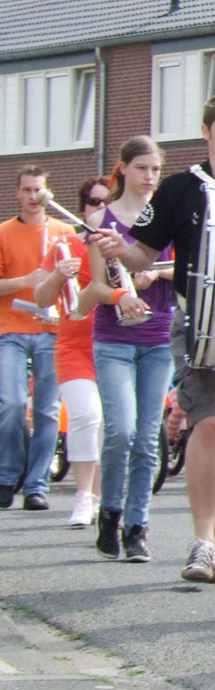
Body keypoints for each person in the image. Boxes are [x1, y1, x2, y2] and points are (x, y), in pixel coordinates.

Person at [113, 96, 215, 583]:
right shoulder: (181, 188)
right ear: (206, 132)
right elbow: (141, 255)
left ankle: (213, 546)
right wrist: (115, 247)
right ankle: (201, 543)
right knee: (211, 422)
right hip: (197, 319)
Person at [81, 139, 175, 559]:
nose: (149, 176)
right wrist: (120, 295)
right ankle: (110, 512)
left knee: (147, 438)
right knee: (121, 429)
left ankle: (138, 525)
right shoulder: (100, 219)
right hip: (114, 339)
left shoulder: (165, 216)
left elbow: (187, 266)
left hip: (157, 338)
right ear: (123, 169)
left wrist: (154, 273)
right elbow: (97, 286)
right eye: (141, 168)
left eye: (155, 169)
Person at [35, 179, 111, 531]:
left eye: (107, 202)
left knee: (107, 424)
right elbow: (42, 298)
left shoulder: (122, 245)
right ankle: (83, 494)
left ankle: (100, 495)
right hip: (74, 347)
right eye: (94, 202)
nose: (100, 208)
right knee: (84, 415)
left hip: (113, 346)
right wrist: (56, 276)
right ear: (83, 208)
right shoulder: (65, 245)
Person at [0, 165, 66, 511]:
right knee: (11, 403)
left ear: (48, 192)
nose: (32, 197)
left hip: (51, 329)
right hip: (11, 327)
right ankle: (7, 475)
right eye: (26, 190)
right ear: (17, 193)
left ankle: (37, 485)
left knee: (47, 410)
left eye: (38, 190)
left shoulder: (63, 232)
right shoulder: (3, 233)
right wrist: (27, 280)